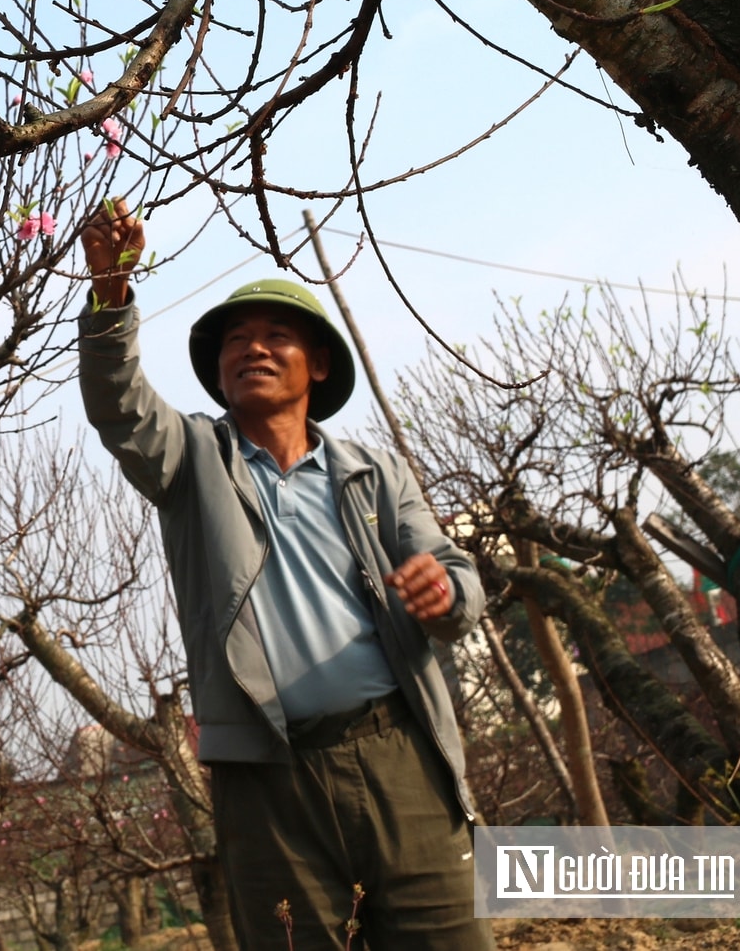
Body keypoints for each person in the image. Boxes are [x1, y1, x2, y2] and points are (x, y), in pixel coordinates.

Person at [76, 198, 491, 951]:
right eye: (237, 341)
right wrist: (111, 298)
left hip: (397, 752)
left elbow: (458, 572)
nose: (253, 350)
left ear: (319, 364)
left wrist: (446, 593)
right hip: (265, 775)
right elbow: (121, 409)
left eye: (276, 338)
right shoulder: (194, 460)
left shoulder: (375, 473)